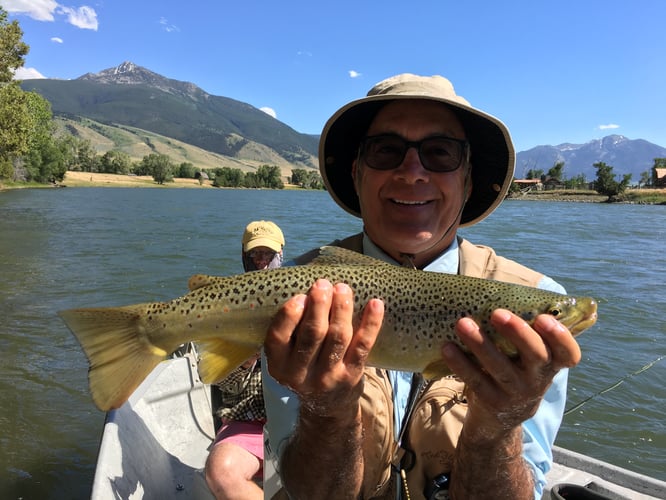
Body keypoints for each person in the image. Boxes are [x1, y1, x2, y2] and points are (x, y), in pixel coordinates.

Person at [261, 74, 582, 499]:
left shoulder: (536, 309)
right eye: (386, 151)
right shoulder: (297, 297)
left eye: (440, 153)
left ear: (468, 179)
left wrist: (497, 429)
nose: (412, 173)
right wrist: (326, 414)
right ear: (357, 174)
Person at [204, 220, 285, 500]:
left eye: (268, 255)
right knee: (222, 472)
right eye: (255, 255)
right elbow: (225, 386)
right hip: (248, 419)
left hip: (303, 420)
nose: (262, 263)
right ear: (244, 257)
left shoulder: (305, 299)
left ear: (281, 256)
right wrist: (247, 355)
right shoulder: (227, 303)